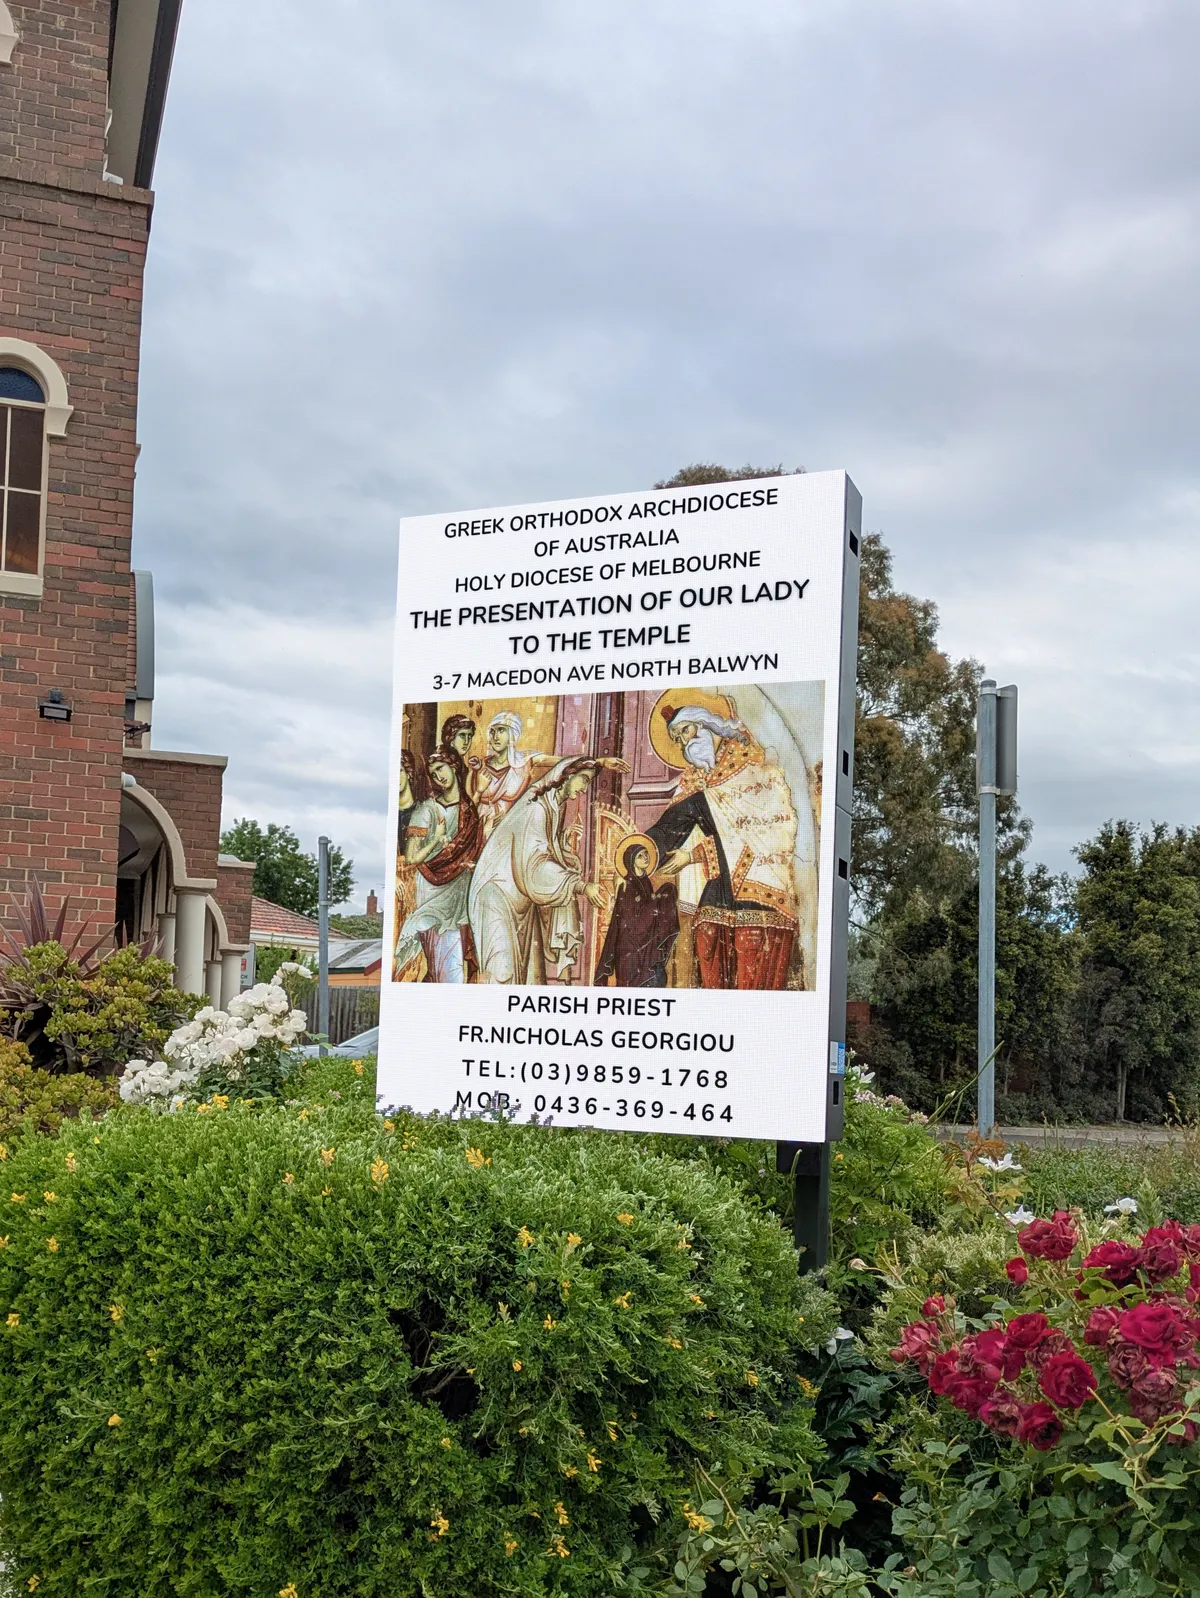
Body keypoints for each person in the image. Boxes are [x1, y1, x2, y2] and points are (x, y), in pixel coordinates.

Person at [647, 703, 799, 990]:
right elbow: (671, 826)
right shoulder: (698, 780)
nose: (684, 743)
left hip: (760, 886)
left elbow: (766, 830)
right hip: (721, 883)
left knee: (750, 955)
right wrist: (642, 849)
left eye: (685, 731)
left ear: (706, 725)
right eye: (677, 739)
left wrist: (692, 855)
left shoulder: (752, 764)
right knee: (706, 938)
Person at [468, 755, 625, 983]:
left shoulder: (550, 804)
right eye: (583, 780)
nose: (584, 789)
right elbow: (536, 866)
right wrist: (580, 886)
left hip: (520, 903)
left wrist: (599, 762)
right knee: (501, 977)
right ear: (567, 776)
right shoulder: (537, 809)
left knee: (529, 981)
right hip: (497, 900)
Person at [404, 750, 484, 983]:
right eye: (433, 773)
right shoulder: (427, 810)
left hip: (463, 897)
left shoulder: (469, 808)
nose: (438, 776)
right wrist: (436, 839)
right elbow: (411, 858)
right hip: (434, 895)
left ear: (453, 766)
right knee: (448, 973)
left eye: (441, 768)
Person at [592, 835, 678, 988]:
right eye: (640, 856)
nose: (645, 858)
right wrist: (658, 898)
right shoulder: (627, 886)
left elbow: (649, 917)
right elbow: (633, 923)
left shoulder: (645, 883)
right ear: (631, 861)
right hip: (630, 952)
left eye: (646, 854)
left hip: (645, 947)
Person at [471, 710, 555, 836]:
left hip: (509, 830)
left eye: (501, 730)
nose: (495, 737)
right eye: (492, 731)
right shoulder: (479, 766)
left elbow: (555, 761)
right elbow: (469, 807)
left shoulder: (523, 763)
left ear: (513, 735)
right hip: (479, 831)